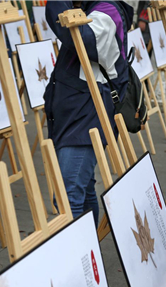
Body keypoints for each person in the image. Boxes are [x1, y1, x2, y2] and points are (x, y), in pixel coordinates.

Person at [44, 1, 134, 225]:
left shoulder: (108, 9)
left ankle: (78, 257)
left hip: (87, 117)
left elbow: (83, 39)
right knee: (81, 189)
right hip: (77, 115)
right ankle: (89, 254)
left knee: (68, 195)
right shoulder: (92, 6)